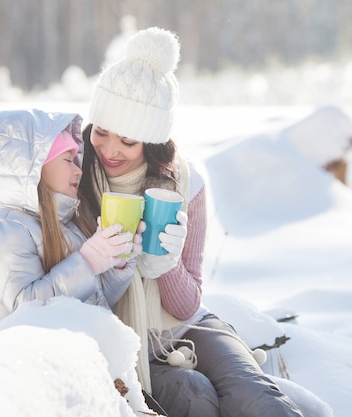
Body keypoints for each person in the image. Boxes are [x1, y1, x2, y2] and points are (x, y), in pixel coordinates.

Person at [78, 27, 305, 417]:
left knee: (257, 397)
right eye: (101, 132)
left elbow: (186, 307)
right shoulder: (73, 175)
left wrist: (166, 265)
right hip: (119, 342)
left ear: (150, 140)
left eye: (128, 141)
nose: (110, 150)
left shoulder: (185, 184)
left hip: (186, 327)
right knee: (192, 394)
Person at [0, 109, 142, 339]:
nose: (78, 169)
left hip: (70, 359)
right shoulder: (4, 229)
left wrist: (115, 261)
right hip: (22, 365)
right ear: (33, 169)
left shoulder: (66, 224)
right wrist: (87, 262)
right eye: (67, 160)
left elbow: (95, 301)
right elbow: (27, 310)